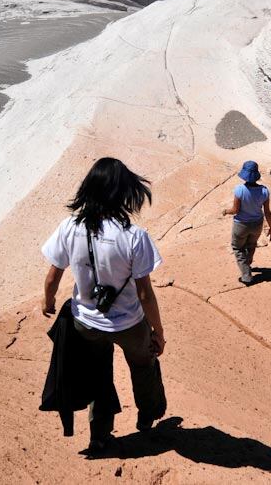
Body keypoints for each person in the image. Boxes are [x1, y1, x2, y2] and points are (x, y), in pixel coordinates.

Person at [41, 157, 167, 454]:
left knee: (99, 375)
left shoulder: (69, 227)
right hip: (128, 323)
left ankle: (99, 434)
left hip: (85, 323)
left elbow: (52, 276)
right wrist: (157, 332)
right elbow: (145, 293)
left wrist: (47, 301)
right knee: (144, 365)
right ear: (123, 192)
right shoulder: (134, 236)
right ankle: (148, 416)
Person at [222, 160, 271, 284]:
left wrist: (225, 211)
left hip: (241, 225)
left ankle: (246, 275)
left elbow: (235, 210)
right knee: (251, 245)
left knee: (237, 248)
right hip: (257, 224)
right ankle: (247, 264)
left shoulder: (239, 190)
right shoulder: (264, 191)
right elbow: (267, 212)